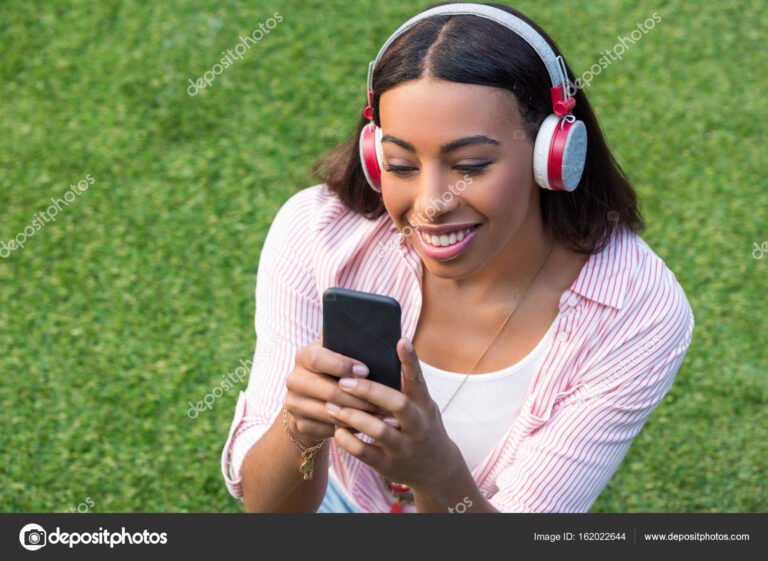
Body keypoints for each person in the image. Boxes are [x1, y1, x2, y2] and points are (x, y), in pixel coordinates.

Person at [220, 2, 694, 513]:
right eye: (401, 164)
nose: (430, 204)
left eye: (470, 165)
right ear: (373, 157)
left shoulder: (638, 311)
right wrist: (300, 429)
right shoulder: (317, 234)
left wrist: (437, 471)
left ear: (553, 154)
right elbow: (269, 517)